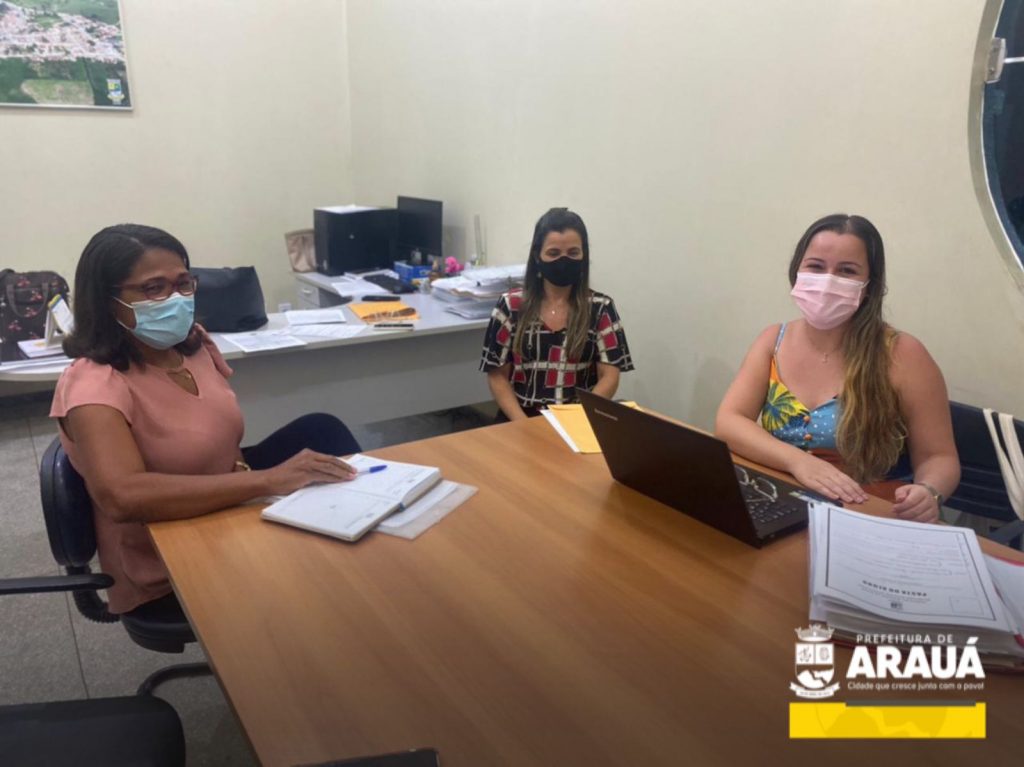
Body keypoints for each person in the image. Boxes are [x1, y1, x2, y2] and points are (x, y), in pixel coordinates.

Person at [50, 224, 361, 615]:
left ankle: (372, 514)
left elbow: (220, 439)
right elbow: (122, 497)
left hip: (230, 503)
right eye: (153, 288)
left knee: (321, 431)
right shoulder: (94, 384)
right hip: (167, 554)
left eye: (183, 283)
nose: (176, 299)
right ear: (106, 300)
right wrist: (267, 481)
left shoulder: (189, 347)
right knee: (335, 579)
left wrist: (257, 485)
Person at [715, 214, 959, 523]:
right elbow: (729, 421)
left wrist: (929, 492)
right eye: (816, 267)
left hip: (869, 511)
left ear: (870, 285)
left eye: (847, 271)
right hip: (783, 502)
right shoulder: (772, 340)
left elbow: (939, 457)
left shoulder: (903, 354)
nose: (828, 281)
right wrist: (798, 462)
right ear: (797, 271)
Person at [480, 208, 634, 421]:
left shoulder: (601, 309)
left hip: (578, 418)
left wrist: (576, 420)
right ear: (537, 256)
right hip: (520, 419)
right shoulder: (510, 306)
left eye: (573, 253)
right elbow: (497, 376)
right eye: (553, 253)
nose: (564, 261)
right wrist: (524, 425)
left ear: (584, 256)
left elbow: (609, 376)